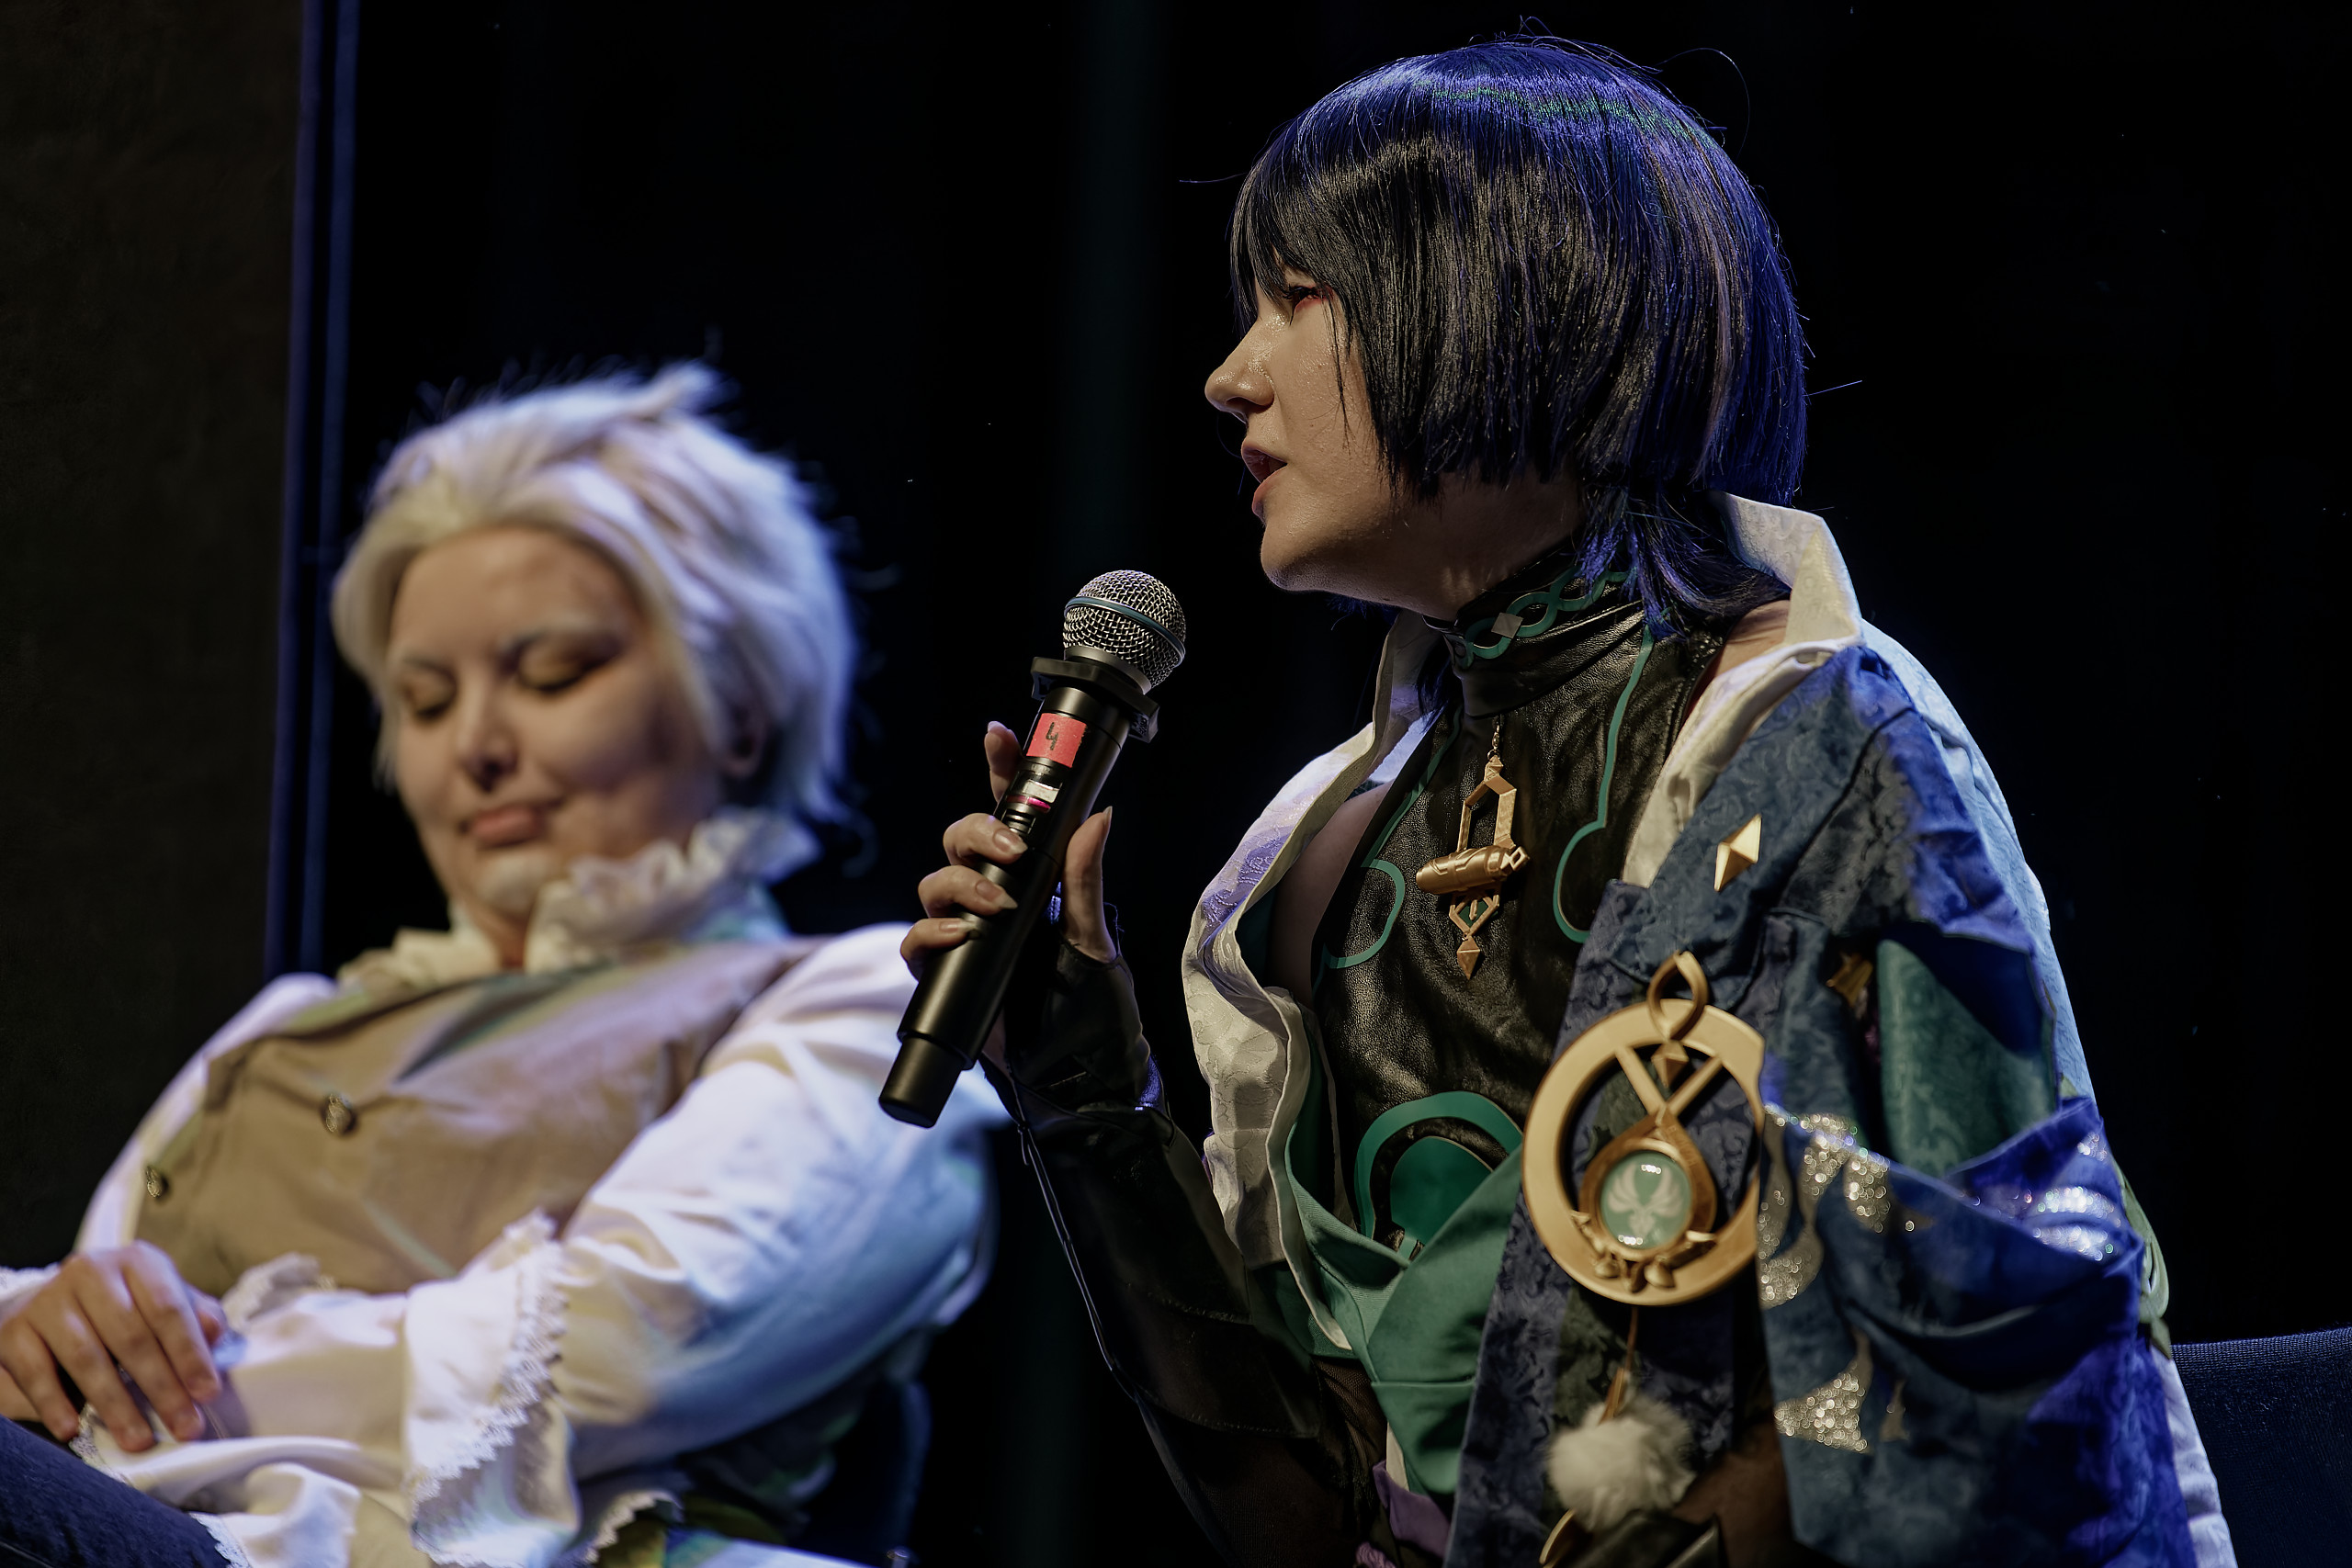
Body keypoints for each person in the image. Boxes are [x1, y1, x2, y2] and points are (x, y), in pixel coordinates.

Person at [905, 40, 2231, 1568]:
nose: (1229, 376)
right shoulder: (1301, 857)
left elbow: (1983, 1379)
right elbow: (1312, 1521)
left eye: (1296, 296)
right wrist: (1086, 1090)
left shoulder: (1820, 750)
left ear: (1515, 302)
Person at [0, 366, 1004, 1568]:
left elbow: (622, 1351)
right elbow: (68, 1320)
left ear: (739, 710)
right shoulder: (287, 1026)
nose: (474, 746)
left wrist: (132, 1378)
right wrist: (39, 1322)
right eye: (426, 701)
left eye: (551, 676)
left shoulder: (863, 1005)